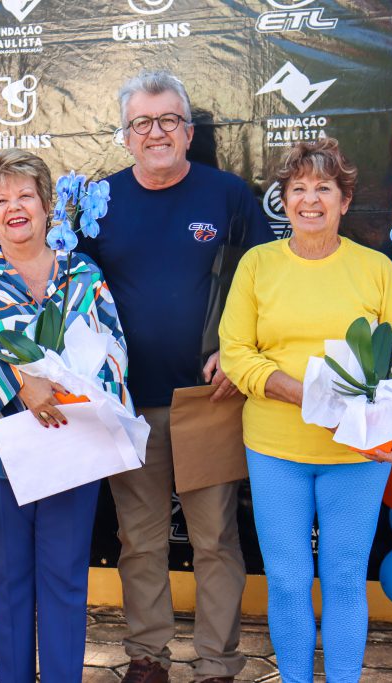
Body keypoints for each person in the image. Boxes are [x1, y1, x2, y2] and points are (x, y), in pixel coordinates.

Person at [77, 69, 276, 683]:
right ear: (126, 136)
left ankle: (218, 664)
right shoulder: (97, 203)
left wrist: (237, 350)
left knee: (216, 541)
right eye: (142, 122)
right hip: (127, 405)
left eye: (168, 120)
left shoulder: (228, 195)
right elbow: (72, 298)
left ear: (189, 132)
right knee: (139, 543)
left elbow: (264, 283)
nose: (156, 132)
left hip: (207, 398)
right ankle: (147, 658)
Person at [218, 138, 392, 682]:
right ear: (283, 200)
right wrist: (294, 390)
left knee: (343, 578)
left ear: (345, 200)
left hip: (357, 452)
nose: (310, 200)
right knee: (287, 580)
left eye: (324, 189)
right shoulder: (258, 265)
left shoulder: (376, 269)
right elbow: (236, 352)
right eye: (298, 189)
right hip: (275, 449)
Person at [0, 149, 131, 682]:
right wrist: (25, 386)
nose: (14, 207)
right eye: (0, 200)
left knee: (65, 581)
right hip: (5, 452)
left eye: (25, 195)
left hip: (73, 447)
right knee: (9, 588)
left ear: (49, 205)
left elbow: (114, 343)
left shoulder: (82, 271)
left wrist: (82, 390)